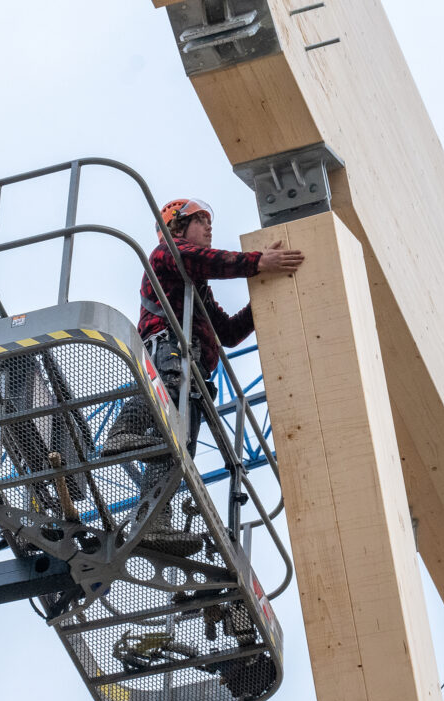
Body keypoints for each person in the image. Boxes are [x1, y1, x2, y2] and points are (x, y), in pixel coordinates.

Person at [103, 197, 303, 551]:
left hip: (193, 371)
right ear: (178, 227)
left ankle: (153, 521)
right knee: (164, 390)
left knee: (178, 447)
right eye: (200, 220)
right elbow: (207, 260)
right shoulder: (166, 254)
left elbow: (228, 332)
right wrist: (258, 263)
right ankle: (121, 433)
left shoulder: (197, 287)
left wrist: (265, 293)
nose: (209, 227)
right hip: (168, 349)